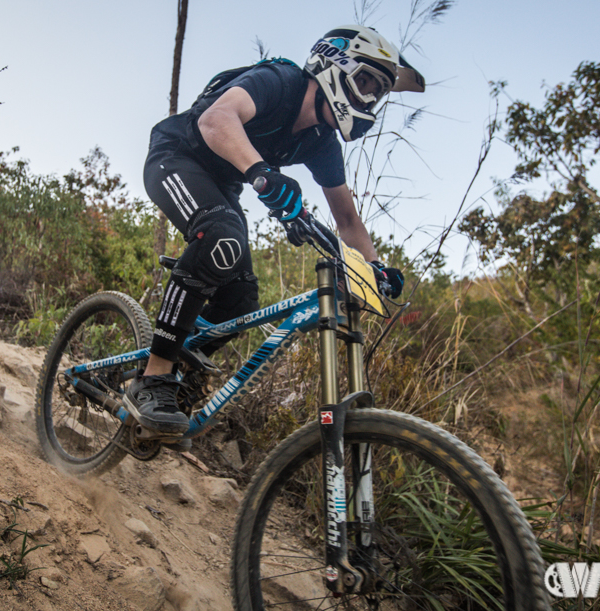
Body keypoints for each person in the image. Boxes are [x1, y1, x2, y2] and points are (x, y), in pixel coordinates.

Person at [126, 25, 424, 437]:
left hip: (222, 185)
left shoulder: (322, 143)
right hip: (176, 156)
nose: (370, 97)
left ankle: (179, 370)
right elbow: (216, 119)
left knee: (242, 295)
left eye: (378, 92)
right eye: (366, 82)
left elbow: (348, 221)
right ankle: (153, 377)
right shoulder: (280, 82)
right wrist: (263, 173)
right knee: (222, 236)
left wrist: (376, 267)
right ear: (334, 64)